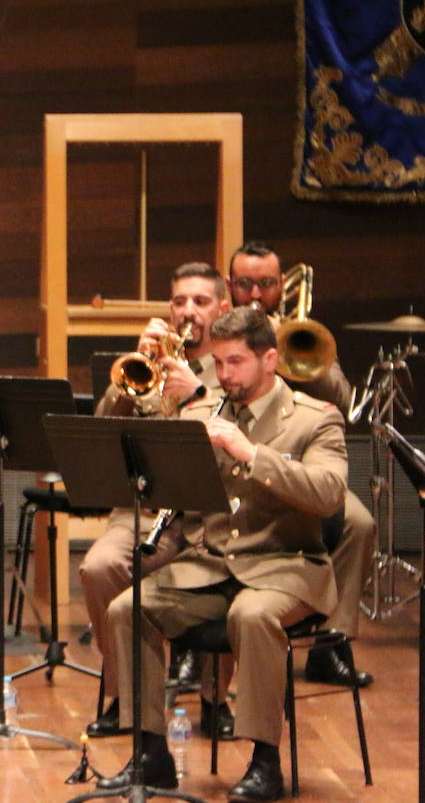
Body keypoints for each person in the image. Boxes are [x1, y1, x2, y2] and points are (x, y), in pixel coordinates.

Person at [100, 308, 347, 802]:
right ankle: (150, 755)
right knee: (127, 608)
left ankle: (264, 761)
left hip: (287, 567)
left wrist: (252, 453)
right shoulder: (204, 414)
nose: (225, 375)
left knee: (253, 615)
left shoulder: (314, 419)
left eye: (236, 362)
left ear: (270, 358)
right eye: (219, 363)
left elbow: (328, 494)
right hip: (213, 566)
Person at [79, 262, 232, 739]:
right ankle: (124, 695)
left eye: (200, 302)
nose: (188, 311)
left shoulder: (230, 367)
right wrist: (134, 366)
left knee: (222, 568)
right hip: (143, 510)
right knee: (99, 566)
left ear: (221, 310)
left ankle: (216, 701)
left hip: (206, 515)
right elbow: (103, 430)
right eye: (180, 301)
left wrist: (197, 392)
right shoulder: (150, 363)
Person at [228, 240, 375, 687]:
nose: (257, 295)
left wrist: (291, 348)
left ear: (282, 287)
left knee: (359, 523)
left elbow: (346, 403)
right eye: (247, 284)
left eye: (268, 284)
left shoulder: (302, 332)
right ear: (231, 285)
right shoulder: (223, 331)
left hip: (301, 466)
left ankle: (331, 643)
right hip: (235, 471)